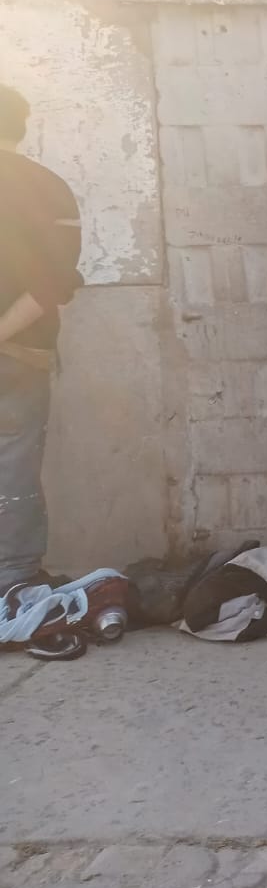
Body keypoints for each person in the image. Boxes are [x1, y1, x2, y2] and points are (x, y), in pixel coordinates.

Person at [0, 85, 83, 595]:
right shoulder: (51, 188)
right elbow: (54, 281)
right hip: (21, 353)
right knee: (15, 463)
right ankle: (13, 582)